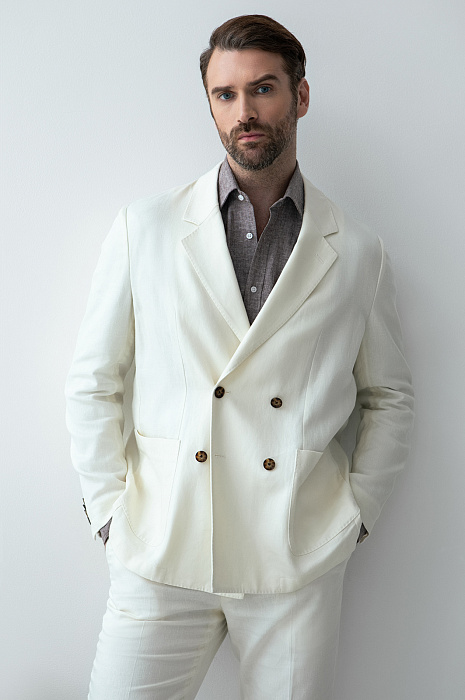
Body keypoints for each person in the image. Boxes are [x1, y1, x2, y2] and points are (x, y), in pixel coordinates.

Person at [65, 14, 414, 700]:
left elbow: (389, 396)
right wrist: (108, 509)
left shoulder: (358, 250)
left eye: (263, 89)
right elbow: (94, 379)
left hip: (293, 556)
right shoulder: (146, 228)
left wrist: (356, 513)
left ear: (300, 96)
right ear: (210, 104)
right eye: (224, 94)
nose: (243, 112)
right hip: (163, 546)